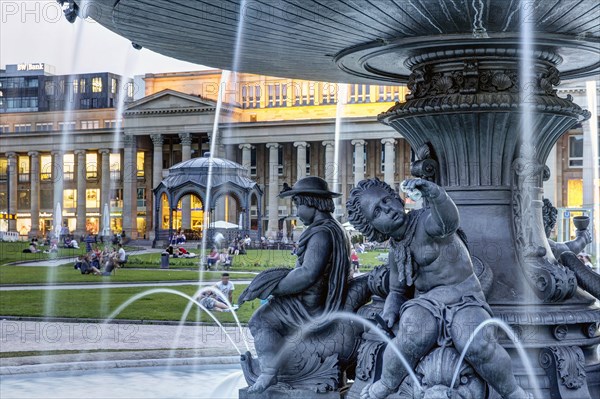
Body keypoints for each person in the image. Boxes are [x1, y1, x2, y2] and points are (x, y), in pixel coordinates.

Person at [347, 178, 530, 399]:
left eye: (386, 200)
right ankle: (386, 383)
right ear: (372, 227)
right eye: (377, 211)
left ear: (397, 198)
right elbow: (396, 291)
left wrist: (436, 194)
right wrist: (388, 313)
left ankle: (512, 391)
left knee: (475, 341)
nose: (387, 209)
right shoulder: (397, 250)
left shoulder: (425, 222)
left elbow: (448, 221)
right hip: (426, 303)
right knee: (411, 335)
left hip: (464, 297)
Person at [246, 176, 352, 394]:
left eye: (298, 204)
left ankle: (269, 372)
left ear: (311, 203)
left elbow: (307, 274)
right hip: (319, 299)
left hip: (309, 305)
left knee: (259, 320)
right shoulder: (334, 228)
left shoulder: (321, 233)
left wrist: (275, 287)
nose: (296, 211)